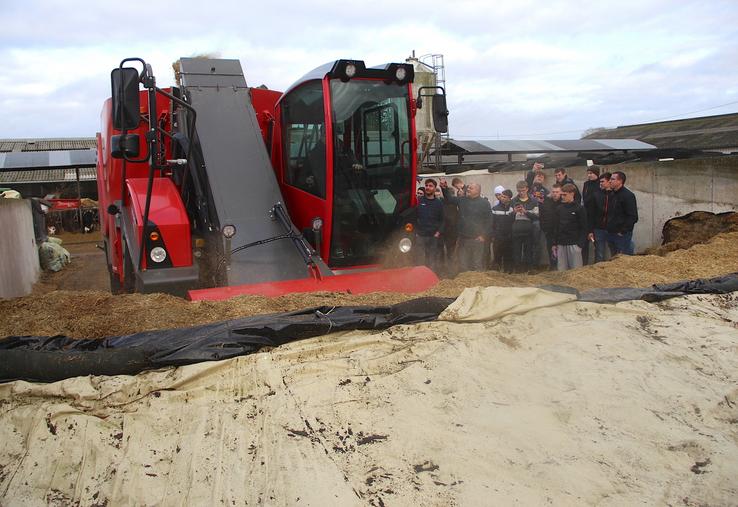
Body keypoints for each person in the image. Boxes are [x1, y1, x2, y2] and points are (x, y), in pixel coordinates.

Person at [440, 179, 491, 272]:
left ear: (477, 190)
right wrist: (444, 187)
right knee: (463, 264)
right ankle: (466, 284)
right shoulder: (462, 200)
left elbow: (489, 221)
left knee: (476, 263)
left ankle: (477, 284)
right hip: (463, 238)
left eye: (471, 188)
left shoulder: (485, 203)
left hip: (477, 239)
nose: (468, 189)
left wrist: (483, 235)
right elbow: (449, 199)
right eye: (468, 188)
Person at [553, 183, 588, 271]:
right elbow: (556, 226)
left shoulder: (579, 208)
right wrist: (554, 243)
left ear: (572, 193)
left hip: (574, 243)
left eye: (565, 195)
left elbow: (584, 227)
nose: (562, 197)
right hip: (561, 243)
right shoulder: (559, 208)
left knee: (576, 271)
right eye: (561, 195)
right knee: (561, 270)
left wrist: (580, 245)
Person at [414, 179, 444, 272]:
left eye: (430, 186)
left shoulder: (439, 203)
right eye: (426, 185)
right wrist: (416, 232)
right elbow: (413, 217)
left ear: (435, 188)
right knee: (419, 260)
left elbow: (443, 220)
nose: (427, 187)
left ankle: (431, 281)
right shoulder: (419, 201)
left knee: (431, 260)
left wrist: (438, 232)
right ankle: (419, 279)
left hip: (433, 237)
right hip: (420, 236)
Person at [510, 180, 539, 272]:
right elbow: (509, 217)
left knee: (529, 251)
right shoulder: (513, 200)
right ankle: (518, 270)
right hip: (516, 229)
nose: (521, 193)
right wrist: (514, 212)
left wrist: (525, 211)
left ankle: (529, 269)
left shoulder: (533, 201)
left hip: (528, 229)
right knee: (516, 252)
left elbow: (536, 216)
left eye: (523, 190)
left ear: (527, 189)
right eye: (519, 191)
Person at [606, 171, 638, 255]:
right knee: (614, 257)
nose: (610, 181)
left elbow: (633, 217)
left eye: (612, 179)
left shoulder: (628, 196)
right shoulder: (612, 194)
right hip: (611, 233)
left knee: (623, 258)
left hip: (621, 235)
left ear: (620, 181)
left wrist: (622, 231)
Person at [587, 171, 612, 263]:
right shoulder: (596, 195)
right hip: (598, 228)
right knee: (599, 253)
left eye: (602, 181)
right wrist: (590, 230)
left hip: (612, 229)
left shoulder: (615, 194)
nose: (600, 184)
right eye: (600, 182)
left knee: (614, 253)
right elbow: (591, 214)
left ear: (609, 181)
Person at [539, 183, 562, 269]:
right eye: (553, 192)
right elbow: (542, 216)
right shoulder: (546, 202)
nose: (555, 194)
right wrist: (544, 228)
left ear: (561, 192)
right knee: (551, 250)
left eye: (557, 192)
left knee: (560, 251)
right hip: (549, 231)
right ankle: (553, 267)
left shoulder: (563, 203)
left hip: (561, 232)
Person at [490, 189, 514, 272]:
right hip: (498, 237)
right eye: (501, 196)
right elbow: (491, 223)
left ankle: (508, 273)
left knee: (508, 257)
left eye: (504, 197)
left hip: (509, 237)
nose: (502, 198)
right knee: (497, 256)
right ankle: (497, 273)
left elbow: (513, 222)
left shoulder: (512, 209)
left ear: (509, 199)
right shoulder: (494, 208)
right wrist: (493, 235)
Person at [580, 166, 600, 264]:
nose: (589, 175)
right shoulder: (586, 184)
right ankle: (584, 263)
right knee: (584, 243)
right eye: (588, 173)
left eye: (591, 173)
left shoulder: (599, 184)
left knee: (597, 244)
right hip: (587, 214)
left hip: (596, 216)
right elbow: (584, 198)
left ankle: (597, 263)